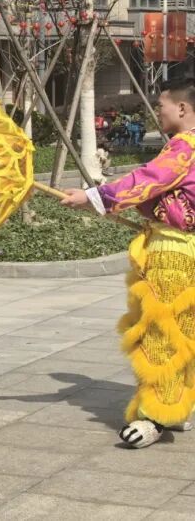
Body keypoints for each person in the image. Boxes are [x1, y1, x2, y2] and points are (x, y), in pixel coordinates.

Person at [61, 77, 195, 448]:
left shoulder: (184, 147)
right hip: (187, 249)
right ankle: (176, 406)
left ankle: (154, 416)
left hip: (173, 254)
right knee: (184, 330)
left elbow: (147, 179)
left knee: (160, 332)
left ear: (182, 108)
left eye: (161, 105)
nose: (158, 112)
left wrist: (92, 197)